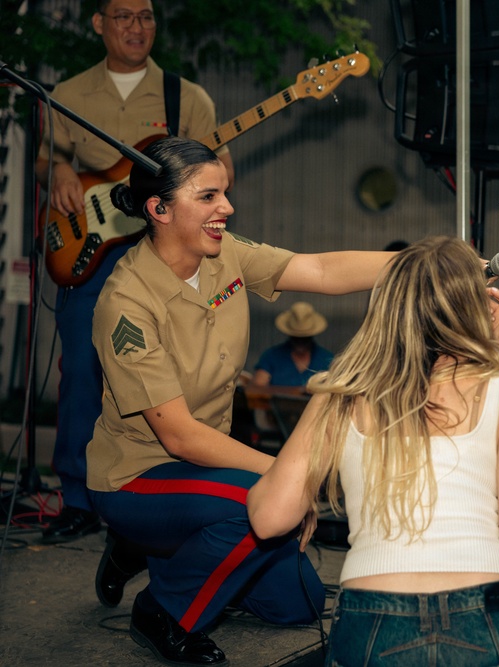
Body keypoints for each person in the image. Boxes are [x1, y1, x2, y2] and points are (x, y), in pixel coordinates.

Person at [86, 136, 394, 666]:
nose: (226, 208)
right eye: (208, 197)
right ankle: (162, 608)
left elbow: (318, 271)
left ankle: (168, 551)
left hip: (204, 470)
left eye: (224, 194)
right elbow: (179, 435)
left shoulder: (223, 254)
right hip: (138, 476)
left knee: (300, 603)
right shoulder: (126, 303)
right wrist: (283, 474)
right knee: (266, 500)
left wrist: (419, 265)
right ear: (159, 209)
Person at [247, 236, 499, 666]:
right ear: (473, 309)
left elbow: (268, 517)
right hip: (485, 609)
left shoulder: (340, 396)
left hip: (373, 614)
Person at [34, 0, 234, 544]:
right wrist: (58, 170)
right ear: (99, 23)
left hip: (162, 248)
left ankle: (165, 494)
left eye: (146, 16)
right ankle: (77, 498)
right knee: (80, 370)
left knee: (176, 374)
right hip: (91, 250)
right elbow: (47, 156)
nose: (136, 27)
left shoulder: (186, 98)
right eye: (122, 16)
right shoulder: (68, 95)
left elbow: (220, 167)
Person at [252, 302, 335, 388]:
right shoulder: (271, 356)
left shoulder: (328, 359)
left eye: (305, 337)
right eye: (296, 337)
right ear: (289, 334)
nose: (300, 341)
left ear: (312, 335)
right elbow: (257, 391)